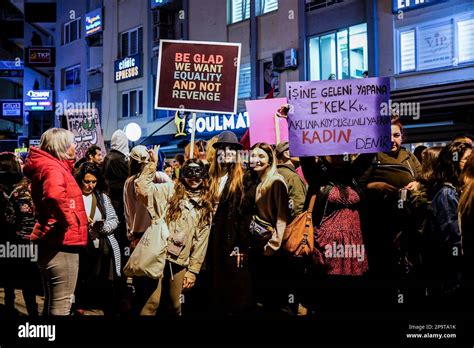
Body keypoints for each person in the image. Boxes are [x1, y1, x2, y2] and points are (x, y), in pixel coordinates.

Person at [135, 151, 214, 316]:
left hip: (180, 260)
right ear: (183, 175)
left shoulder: (205, 205)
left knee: (176, 304)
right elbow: (142, 189)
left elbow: (201, 240)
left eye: (198, 174)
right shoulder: (169, 190)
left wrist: (193, 271)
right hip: (158, 254)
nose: (194, 178)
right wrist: (152, 165)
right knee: (152, 303)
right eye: (189, 174)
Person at [23, 128, 88, 316]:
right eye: (71, 142)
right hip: (62, 243)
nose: (75, 146)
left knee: (52, 300)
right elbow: (53, 196)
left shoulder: (48, 166)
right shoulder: (53, 168)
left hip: (52, 242)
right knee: (62, 304)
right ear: (62, 147)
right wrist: (67, 221)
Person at [206, 131, 257, 314]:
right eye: (223, 148)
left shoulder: (244, 177)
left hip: (231, 239)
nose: (227, 152)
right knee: (213, 288)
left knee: (234, 291)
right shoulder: (209, 176)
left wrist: (242, 246)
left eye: (232, 149)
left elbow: (245, 216)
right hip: (210, 238)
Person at [423, 142, 472, 309]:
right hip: (453, 276)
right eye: (467, 159)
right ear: (453, 162)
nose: (472, 162)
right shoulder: (447, 194)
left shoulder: (457, 190)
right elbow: (453, 240)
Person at [74, 162, 121, 315]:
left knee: (103, 284)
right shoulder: (73, 197)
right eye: (87, 181)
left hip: (101, 248)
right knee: (80, 284)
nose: (90, 185)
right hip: (79, 248)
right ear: (80, 179)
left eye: (94, 182)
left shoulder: (102, 197)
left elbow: (114, 220)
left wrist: (101, 228)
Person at [250, 142, 290, 314]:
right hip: (258, 246)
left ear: (270, 160)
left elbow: (282, 218)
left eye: (261, 156)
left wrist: (272, 246)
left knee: (272, 300)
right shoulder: (256, 181)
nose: (256, 160)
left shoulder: (276, 181)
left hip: (272, 250)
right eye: (253, 156)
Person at [5, 174, 41, 317]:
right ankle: (33, 312)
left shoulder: (17, 192)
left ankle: (15, 309)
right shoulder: (47, 188)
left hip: (21, 241)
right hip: (38, 241)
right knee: (32, 280)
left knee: (22, 280)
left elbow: (9, 219)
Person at [0, 153, 26, 316]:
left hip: (5, 236)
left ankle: (9, 306)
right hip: (20, 239)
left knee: (6, 276)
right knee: (22, 279)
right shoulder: (23, 187)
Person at [275, 141, 307, 220]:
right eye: (297, 149)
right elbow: (298, 208)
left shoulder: (275, 173)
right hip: (293, 225)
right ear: (286, 154)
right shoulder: (292, 177)